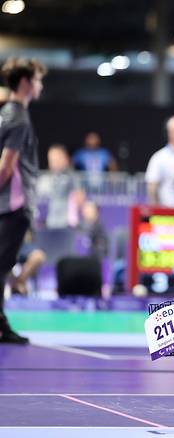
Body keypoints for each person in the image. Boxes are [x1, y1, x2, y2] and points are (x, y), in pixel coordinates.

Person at [0, 57, 47, 344]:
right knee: (1, 267)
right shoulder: (19, 118)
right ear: (27, 83)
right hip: (14, 205)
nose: (40, 86)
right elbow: (6, 166)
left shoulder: (5, 113)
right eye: (38, 80)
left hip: (6, 204)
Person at [145, 115, 174, 207]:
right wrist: (156, 211)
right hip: (167, 214)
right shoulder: (159, 158)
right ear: (169, 132)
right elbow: (152, 188)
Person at [45, 143, 85, 229]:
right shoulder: (48, 178)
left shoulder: (72, 177)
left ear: (65, 158)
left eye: (56, 159)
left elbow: (80, 197)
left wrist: (73, 216)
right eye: (51, 159)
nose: (53, 162)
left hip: (67, 223)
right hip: (51, 222)